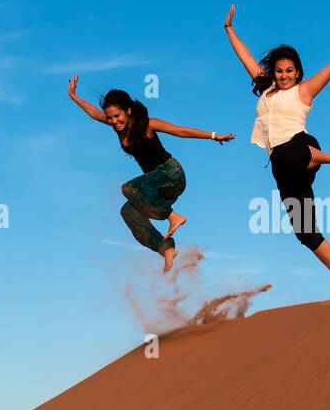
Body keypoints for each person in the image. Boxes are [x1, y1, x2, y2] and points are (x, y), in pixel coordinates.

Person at [223, 5, 330, 296]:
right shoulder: (267, 88)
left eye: (289, 71)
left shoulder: (303, 92)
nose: (283, 76)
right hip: (286, 169)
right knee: (305, 232)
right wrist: (229, 29)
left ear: (297, 72)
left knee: (284, 154)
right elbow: (244, 56)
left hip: (302, 148)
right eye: (279, 71)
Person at [68, 75, 233, 272]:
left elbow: (180, 131)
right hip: (155, 189)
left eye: (117, 116)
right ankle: (165, 248)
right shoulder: (117, 127)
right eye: (110, 118)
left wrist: (214, 136)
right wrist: (73, 96)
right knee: (127, 211)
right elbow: (94, 113)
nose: (113, 121)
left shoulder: (146, 124)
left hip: (171, 174)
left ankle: (173, 216)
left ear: (128, 111)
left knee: (129, 188)